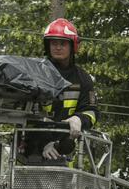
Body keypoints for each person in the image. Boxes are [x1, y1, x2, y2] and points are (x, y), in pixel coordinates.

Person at [25, 19, 99, 161]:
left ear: (73, 46)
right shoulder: (35, 73)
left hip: (63, 150)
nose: (57, 47)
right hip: (31, 151)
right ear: (48, 46)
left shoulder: (82, 79)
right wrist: (44, 143)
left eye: (63, 43)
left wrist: (79, 118)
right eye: (53, 43)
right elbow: (27, 115)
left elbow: (92, 111)